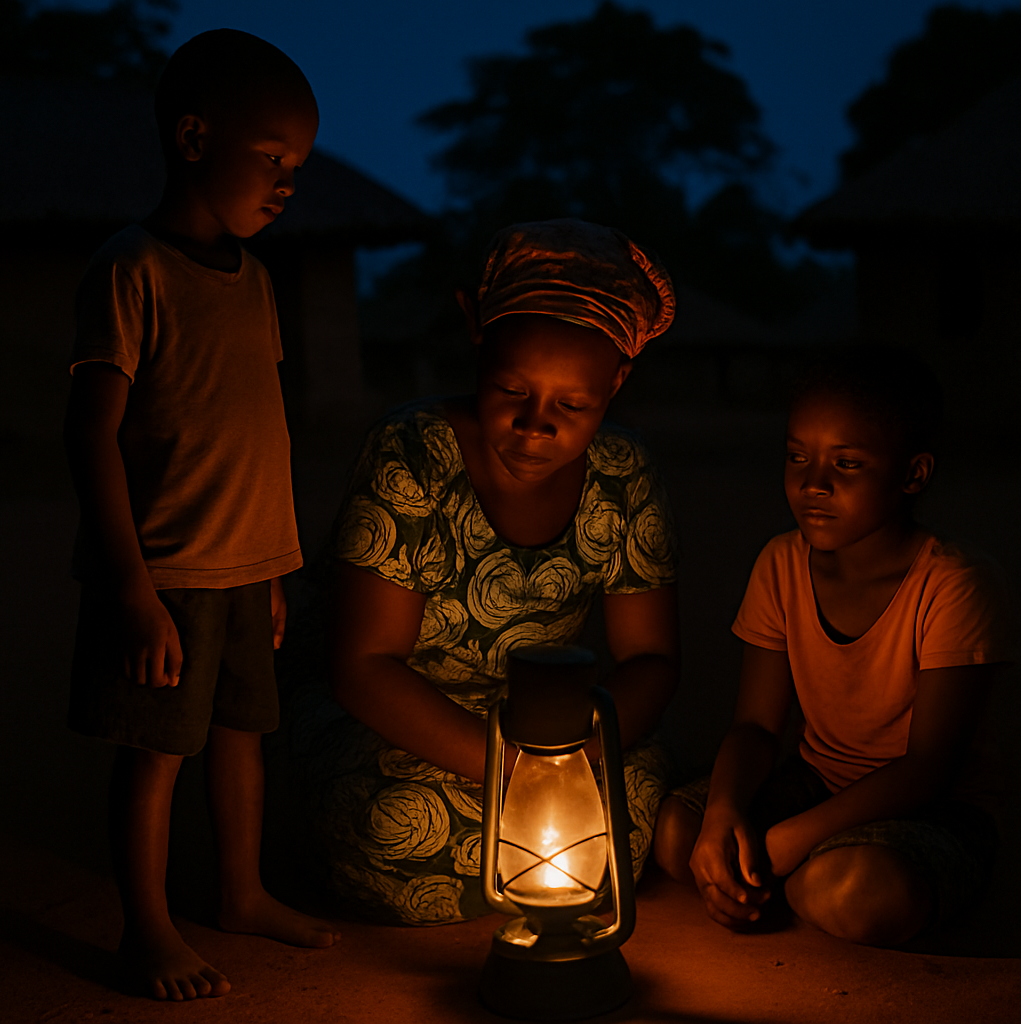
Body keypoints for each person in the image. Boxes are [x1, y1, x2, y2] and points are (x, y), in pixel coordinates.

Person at [287, 219, 681, 924]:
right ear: (477, 341)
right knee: (393, 825)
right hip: (399, 723)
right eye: (511, 391)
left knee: (638, 794)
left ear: (617, 382)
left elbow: (650, 657)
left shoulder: (623, 473)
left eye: (573, 405)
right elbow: (365, 667)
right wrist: (520, 776)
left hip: (548, 726)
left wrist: (575, 758)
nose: (536, 425)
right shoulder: (412, 454)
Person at [63, 29, 337, 1002]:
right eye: (271, 160)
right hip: (168, 571)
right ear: (191, 137)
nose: (287, 184)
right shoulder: (131, 268)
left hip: (242, 568)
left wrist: (271, 569)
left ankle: (241, 889)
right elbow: (92, 435)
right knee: (155, 754)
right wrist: (132, 590)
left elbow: (255, 427)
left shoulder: (256, 281)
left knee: (239, 735)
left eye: (296, 168)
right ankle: (146, 926)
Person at [654, 350, 1014, 946]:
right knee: (677, 832)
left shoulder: (956, 584)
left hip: (936, 810)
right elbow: (755, 727)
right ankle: (792, 872)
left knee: (853, 891)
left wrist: (788, 840)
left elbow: (930, 767)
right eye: (797, 456)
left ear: (912, 474)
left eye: (846, 464)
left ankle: (804, 878)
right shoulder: (781, 563)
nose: (812, 483)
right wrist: (723, 812)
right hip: (817, 782)